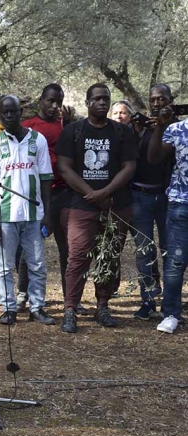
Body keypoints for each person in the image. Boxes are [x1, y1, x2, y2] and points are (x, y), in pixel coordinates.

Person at [56, 83, 138, 333]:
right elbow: (64, 168)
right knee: (78, 258)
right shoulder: (73, 131)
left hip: (116, 205)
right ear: (88, 102)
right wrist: (91, 193)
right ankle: (70, 309)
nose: (103, 103)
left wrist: (106, 192)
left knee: (110, 257)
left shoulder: (122, 132)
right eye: (97, 99)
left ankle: (103, 305)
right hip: (81, 206)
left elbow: (129, 167)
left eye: (106, 99)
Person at [16, 83, 91, 316]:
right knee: (31, 247)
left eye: (59, 101)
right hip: (36, 195)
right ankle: (22, 293)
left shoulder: (68, 126)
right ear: (41, 100)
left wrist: (69, 129)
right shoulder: (27, 127)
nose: (55, 106)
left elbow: (76, 156)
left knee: (67, 247)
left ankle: (72, 298)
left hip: (64, 193)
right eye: (51, 101)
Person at [0, 95, 54, 325]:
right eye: (5, 113)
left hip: (34, 216)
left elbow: (45, 180)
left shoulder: (38, 140)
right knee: (3, 267)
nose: (10, 116)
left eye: (14, 111)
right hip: (5, 216)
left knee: (37, 265)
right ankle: (9, 308)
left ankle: (37, 307)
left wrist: (48, 215)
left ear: (20, 112)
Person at [129, 85, 174, 320]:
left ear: (170, 101)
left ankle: (170, 302)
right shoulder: (143, 127)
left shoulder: (175, 128)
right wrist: (136, 130)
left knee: (170, 251)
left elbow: (159, 158)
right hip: (140, 197)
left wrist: (164, 125)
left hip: (167, 197)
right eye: (152, 99)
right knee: (144, 252)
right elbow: (134, 158)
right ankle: (147, 301)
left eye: (161, 99)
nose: (156, 103)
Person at [147, 89, 188, 334]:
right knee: (176, 260)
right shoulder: (177, 130)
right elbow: (153, 159)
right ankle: (171, 313)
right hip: (181, 203)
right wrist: (160, 127)